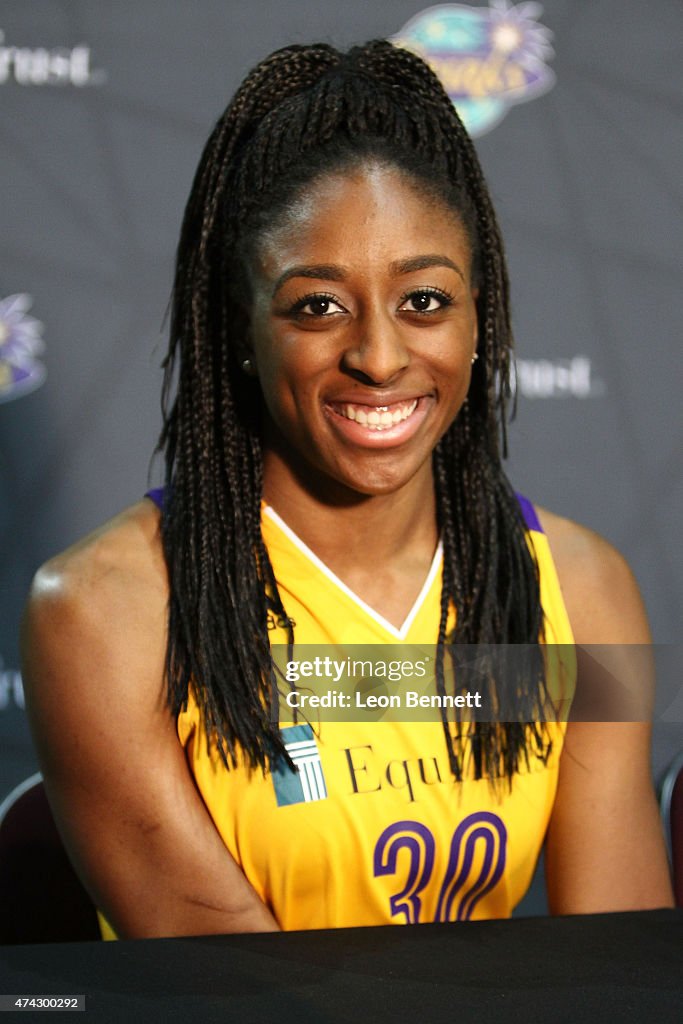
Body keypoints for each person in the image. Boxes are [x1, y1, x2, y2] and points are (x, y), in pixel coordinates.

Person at [21, 40, 673, 939]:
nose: (377, 357)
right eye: (317, 306)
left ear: (479, 313)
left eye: (425, 301)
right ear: (242, 330)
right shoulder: (108, 611)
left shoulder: (581, 592)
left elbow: (616, 961)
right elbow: (235, 994)